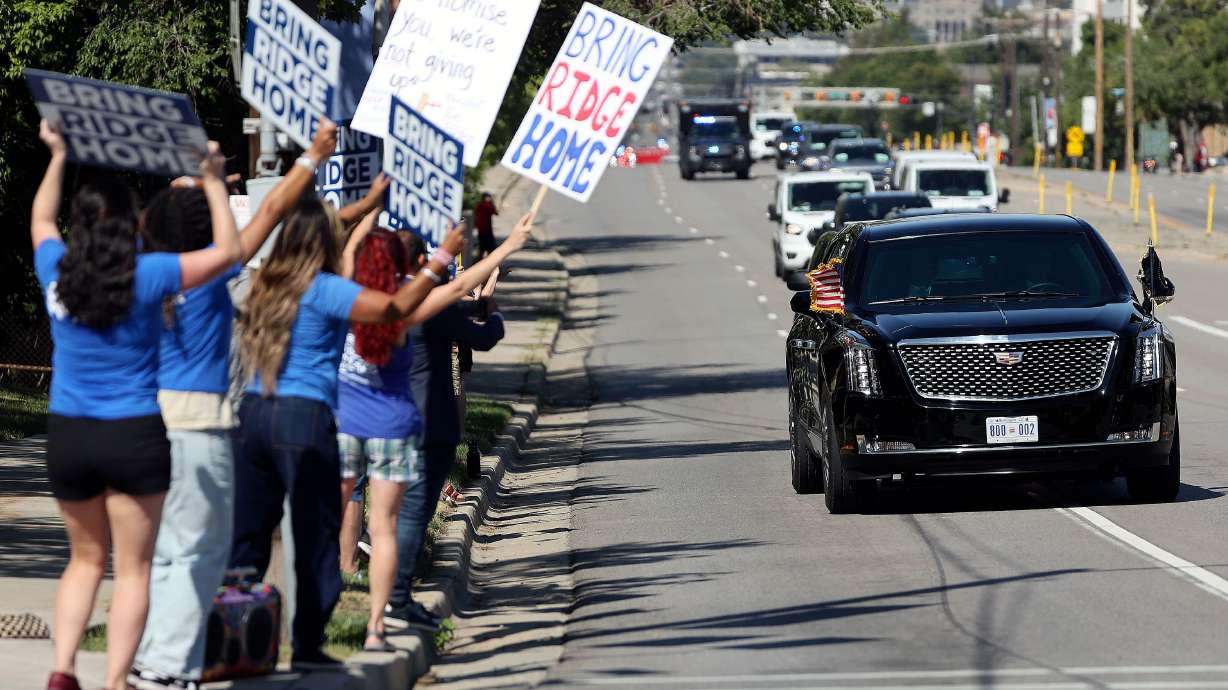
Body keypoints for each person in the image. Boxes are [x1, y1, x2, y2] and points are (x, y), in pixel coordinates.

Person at [127, 119, 338, 690]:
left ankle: (149, 656)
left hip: (143, 422)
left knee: (154, 553)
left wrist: (190, 191)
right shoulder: (205, 275)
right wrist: (309, 159)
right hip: (198, 427)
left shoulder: (137, 274)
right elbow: (266, 217)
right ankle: (169, 667)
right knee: (199, 554)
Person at [32, 120, 242, 690]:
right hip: (134, 435)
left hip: (68, 435)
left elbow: (41, 220)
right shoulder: (149, 274)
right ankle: (117, 682)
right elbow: (228, 251)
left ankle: (61, 668)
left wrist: (57, 155)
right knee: (135, 570)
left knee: (83, 561)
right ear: (131, 226)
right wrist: (213, 179)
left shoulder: (56, 273)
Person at [228, 177, 465, 670]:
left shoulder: (266, 278)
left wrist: (370, 205)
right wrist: (442, 257)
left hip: (252, 415)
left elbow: (334, 233)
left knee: (249, 532)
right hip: (305, 418)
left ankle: (237, 633)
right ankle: (309, 646)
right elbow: (396, 307)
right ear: (324, 245)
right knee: (316, 535)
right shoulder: (328, 289)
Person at [335, 212, 533, 648]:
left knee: (359, 512)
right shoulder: (407, 305)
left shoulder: (352, 296)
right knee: (403, 519)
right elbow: (462, 300)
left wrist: (369, 207)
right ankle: (393, 601)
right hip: (415, 422)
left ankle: (356, 589)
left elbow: (458, 294)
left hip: (349, 421)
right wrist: (504, 257)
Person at [385, 224, 530, 630]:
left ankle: (392, 594)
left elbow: (461, 300)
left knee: (389, 514)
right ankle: (398, 598)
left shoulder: (383, 298)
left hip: (391, 419)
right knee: (415, 511)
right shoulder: (431, 304)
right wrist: (495, 308)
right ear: (418, 259)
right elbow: (484, 337)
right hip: (431, 422)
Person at [474, 192, 498, 259]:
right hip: (484, 229)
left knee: (484, 247)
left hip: (485, 229)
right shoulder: (484, 205)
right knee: (488, 246)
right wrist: (491, 203)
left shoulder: (480, 205)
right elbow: (495, 212)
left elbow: (495, 212)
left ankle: (482, 260)